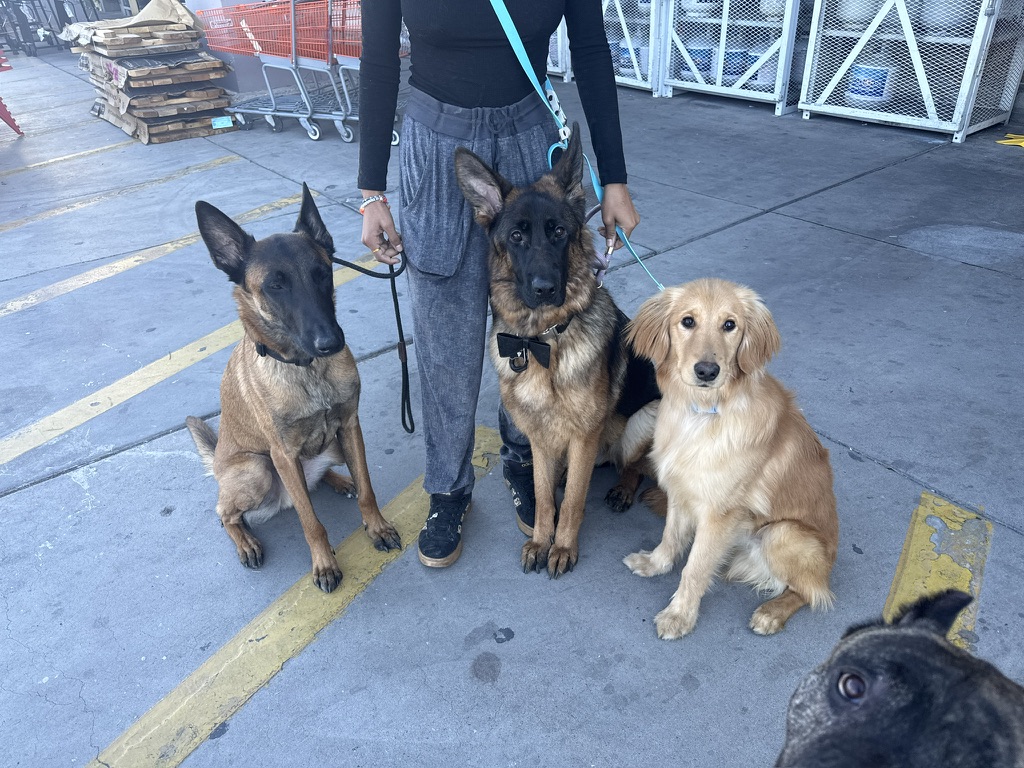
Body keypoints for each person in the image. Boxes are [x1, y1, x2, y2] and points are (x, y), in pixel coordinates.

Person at [358, 1, 640, 569]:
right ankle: (448, 488)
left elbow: (590, 51)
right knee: (444, 338)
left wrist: (614, 177)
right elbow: (378, 57)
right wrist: (371, 191)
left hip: (531, 140)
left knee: (543, 327)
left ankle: (523, 457)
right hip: (436, 144)